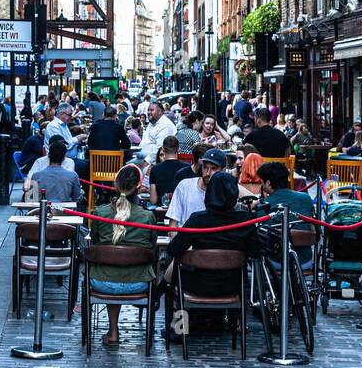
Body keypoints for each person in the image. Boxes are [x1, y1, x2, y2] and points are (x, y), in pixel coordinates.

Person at [89, 165, 157, 348]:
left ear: (115, 186)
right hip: (138, 281)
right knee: (120, 270)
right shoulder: (147, 216)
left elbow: (94, 241)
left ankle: (113, 331)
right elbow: (153, 246)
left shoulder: (100, 213)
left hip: (102, 281)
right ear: (139, 188)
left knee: (112, 269)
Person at [165, 170, 257, 299]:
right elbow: (255, 251)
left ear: (209, 193)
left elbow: (173, 249)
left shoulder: (197, 219)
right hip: (233, 285)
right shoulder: (246, 220)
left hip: (198, 284)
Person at [166, 146, 225, 226]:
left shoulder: (226, 190)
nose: (208, 173)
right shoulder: (184, 186)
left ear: (223, 170)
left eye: (214, 168)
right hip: (185, 236)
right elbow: (173, 224)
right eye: (205, 167)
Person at [24, 139, 83, 204]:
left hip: (41, 211)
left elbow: (30, 199)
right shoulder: (73, 175)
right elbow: (77, 198)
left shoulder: (36, 175)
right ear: (64, 157)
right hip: (64, 212)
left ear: (49, 155)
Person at [148, 136, 190, 205]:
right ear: (178, 149)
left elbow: (153, 200)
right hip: (181, 210)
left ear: (163, 149)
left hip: (162, 211)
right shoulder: (187, 168)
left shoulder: (155, 169)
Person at [140, 100, 176, 165]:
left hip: (155, 162)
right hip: (142, 158)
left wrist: (146, 162)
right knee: (126, 166)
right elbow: (145, 140)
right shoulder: (152, 123)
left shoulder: (165, 125)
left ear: (159, 112)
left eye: (151, 110)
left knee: (131, 171)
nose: (148, 112)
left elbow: (159, 148)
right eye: (148, 110)